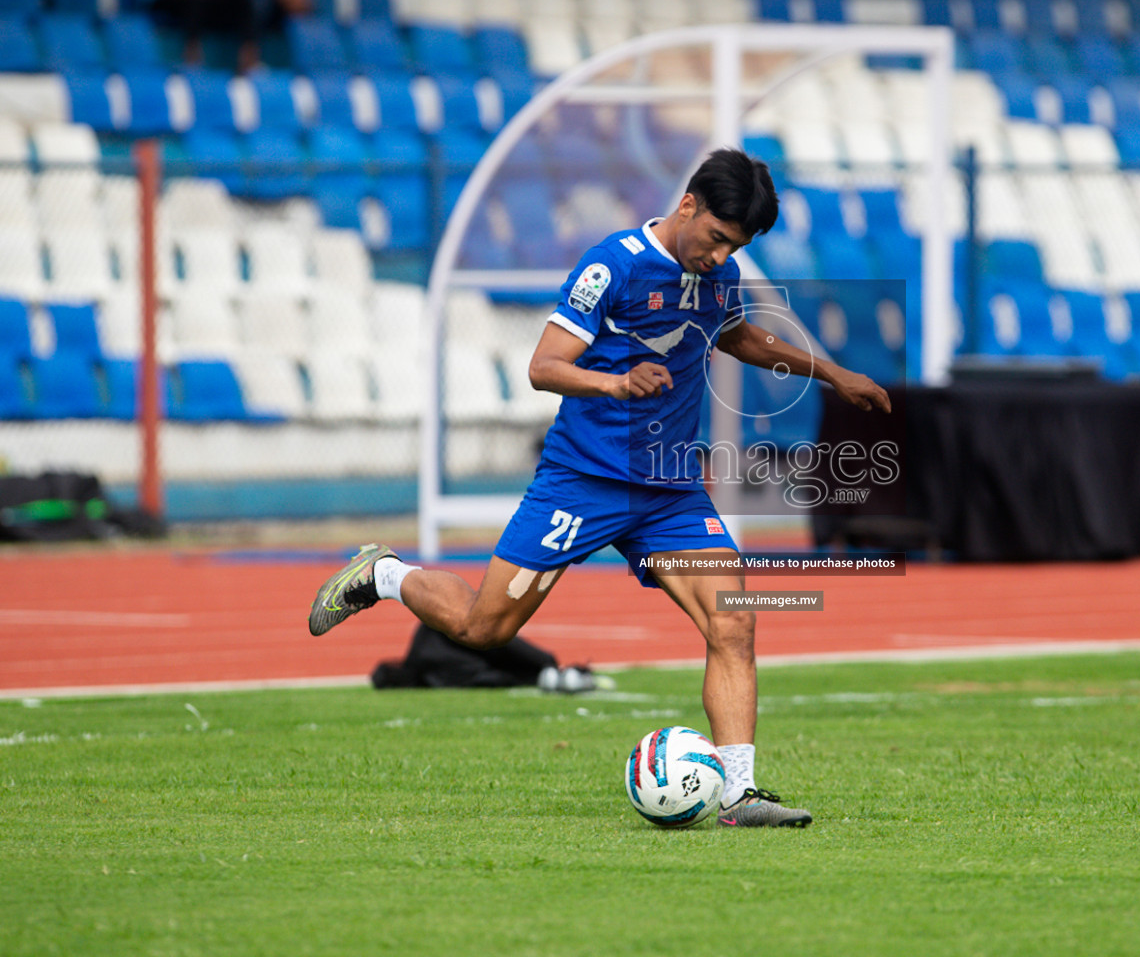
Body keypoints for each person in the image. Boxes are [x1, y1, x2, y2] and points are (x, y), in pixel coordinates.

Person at [309, 149, 891, 826]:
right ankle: (382, 574)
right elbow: (544, 366)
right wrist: (613, 381)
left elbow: (741, 339)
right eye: (717, 238)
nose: (720, 255)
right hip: (582, 481)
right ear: (688, 206)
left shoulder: (720, 276)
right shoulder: (610, 266)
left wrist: (831, 373)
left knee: (734, 619)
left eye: (735, 246)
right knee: (484, 628)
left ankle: (738, 795)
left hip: (669, 491)